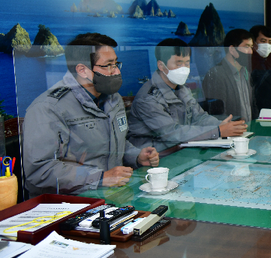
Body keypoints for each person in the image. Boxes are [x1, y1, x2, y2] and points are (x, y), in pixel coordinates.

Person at [23, 33, 159, 197]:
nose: (116, 71)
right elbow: (40, 169)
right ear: (82, 70)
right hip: (68, 205)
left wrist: (136, 157)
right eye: (108, 65)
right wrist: (100, 178)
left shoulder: (113, 98)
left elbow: (113, 143)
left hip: (111, 196)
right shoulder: (47, 108)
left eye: (116, 63)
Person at [127, 38, 247, 152]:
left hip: (180, 149)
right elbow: (171, 133)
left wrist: (221, 125)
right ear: (161, 66)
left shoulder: (182, 89)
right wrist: (218, 131)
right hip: (155, 157)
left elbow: (199, 117)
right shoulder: (147, 99)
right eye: (178, 64)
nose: (184, 68)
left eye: (187, 63)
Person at [202, 29, 257, 121]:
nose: (251, 52)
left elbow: (252, 106)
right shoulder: (217, 74)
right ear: (232, 49)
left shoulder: (246, 73)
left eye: (251, 47)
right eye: (246, 47)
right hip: (232, 132)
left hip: (248, 130)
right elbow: (217, 114)